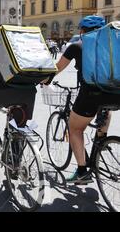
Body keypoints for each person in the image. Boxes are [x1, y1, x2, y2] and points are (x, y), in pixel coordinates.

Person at [44, 16, 119, 185]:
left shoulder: (77, 46)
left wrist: (45, 79)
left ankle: (82, 171)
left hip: (91, 95)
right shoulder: (114, 45)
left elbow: (57, 68)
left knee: (75, 129)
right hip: (116, 93)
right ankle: (102, 139)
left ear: (82, 31)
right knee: (105, 107)